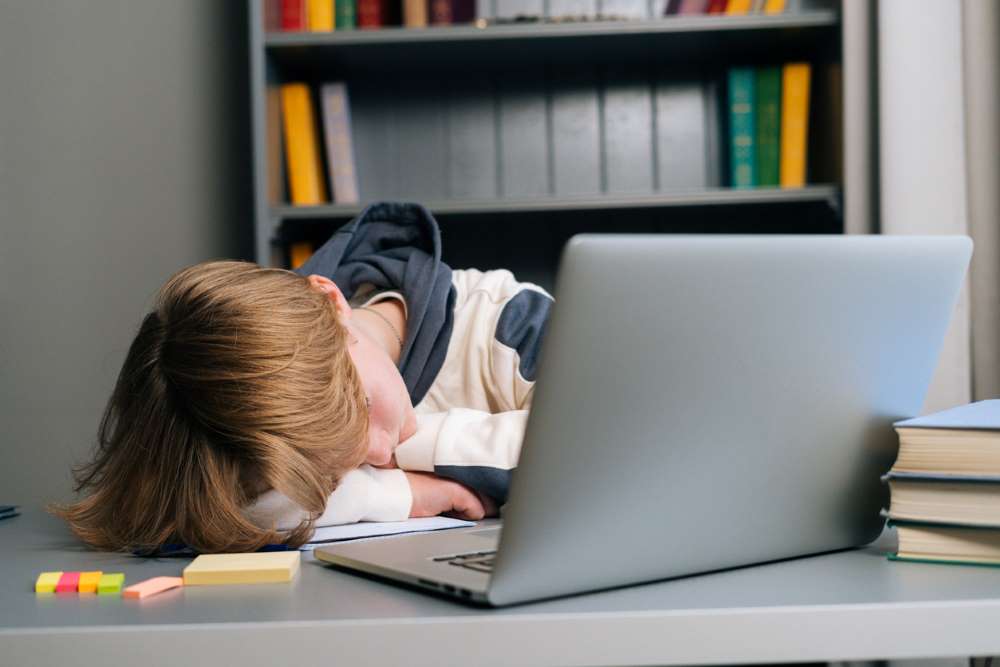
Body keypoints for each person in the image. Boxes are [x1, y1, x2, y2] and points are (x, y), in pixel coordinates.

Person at [54, 202, 554, 553]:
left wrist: (415, 450)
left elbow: (610, 445)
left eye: (360, 405)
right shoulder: (252, 400)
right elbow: (205, 514)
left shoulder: (508, 324)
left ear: (332, 302)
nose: (379, 453)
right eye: (341, 466)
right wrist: (403, 493)